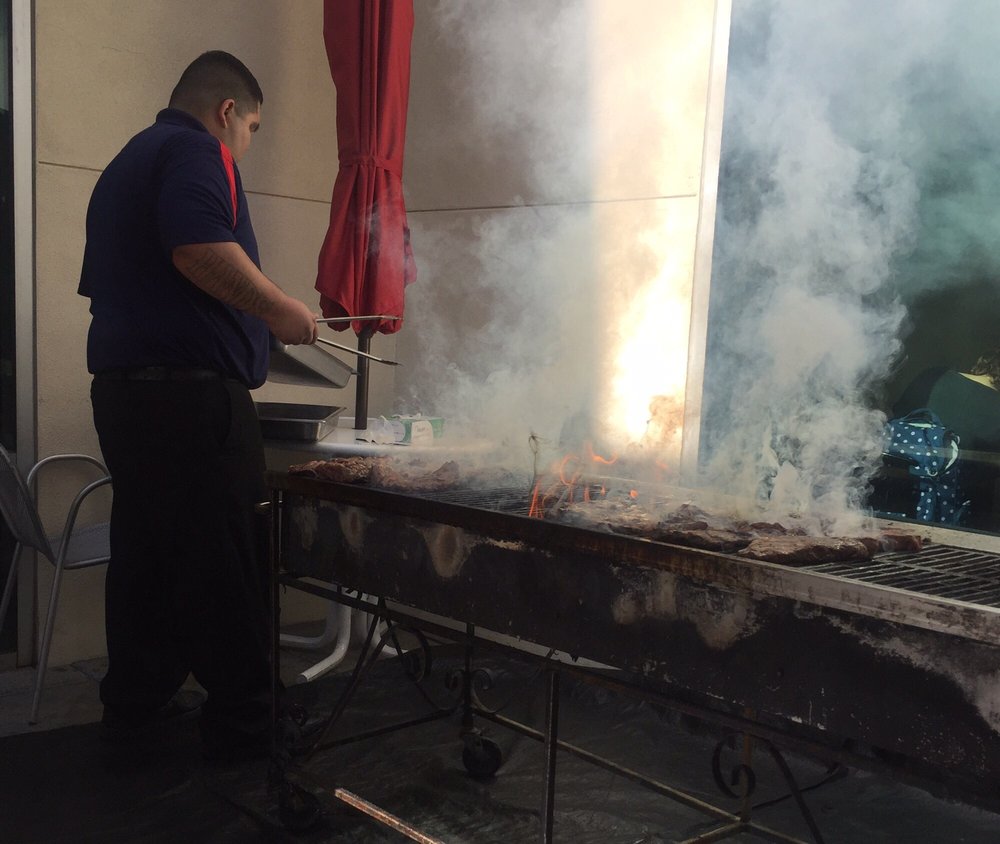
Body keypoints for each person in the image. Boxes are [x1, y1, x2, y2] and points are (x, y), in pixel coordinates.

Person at [78, 51, 317, 758]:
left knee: (148, 555)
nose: (248, 142)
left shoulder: (130, 158)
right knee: (227, 560)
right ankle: (248, 724)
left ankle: (136, 706)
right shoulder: (195, 151)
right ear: (227, 114)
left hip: (127, 398)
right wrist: (280, 311)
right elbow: (196, 250)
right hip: (189, 404)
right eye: (253, 128)